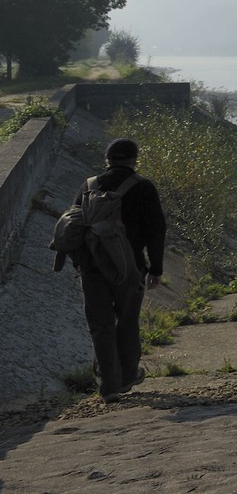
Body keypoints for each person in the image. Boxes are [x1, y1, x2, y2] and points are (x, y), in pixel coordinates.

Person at [70, 137, 165, 403]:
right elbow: (156, 230)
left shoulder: (88, 186)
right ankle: (127, 377)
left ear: (107, 159)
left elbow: (74, 225)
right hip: (129, 267)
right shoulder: (144, 187)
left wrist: (80, 263)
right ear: (135, 160)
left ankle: (109, 386)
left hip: (92, 267)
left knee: (101, 326)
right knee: (126, 322)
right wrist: (156, 268)